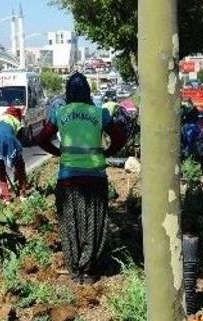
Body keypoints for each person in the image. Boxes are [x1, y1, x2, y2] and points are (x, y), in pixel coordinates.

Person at [35, 72, 126, 283]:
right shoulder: (99, 113)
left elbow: (41, 138)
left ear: (68, 92)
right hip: (95, 177)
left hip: (68, 179)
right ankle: (90, 270)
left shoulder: (60, 113)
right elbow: (120, 137)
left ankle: (76, 271)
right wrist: (107, 152)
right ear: (87, 91)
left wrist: (59, 153)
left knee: (71, 222)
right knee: (94, 222)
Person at [0, 106, 29, 202]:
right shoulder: (16, 121)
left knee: (0, 167)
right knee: (19, 164)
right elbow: (19, 141)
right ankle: (23, 193)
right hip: (7, 138)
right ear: (17, 116)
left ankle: (6, 197)